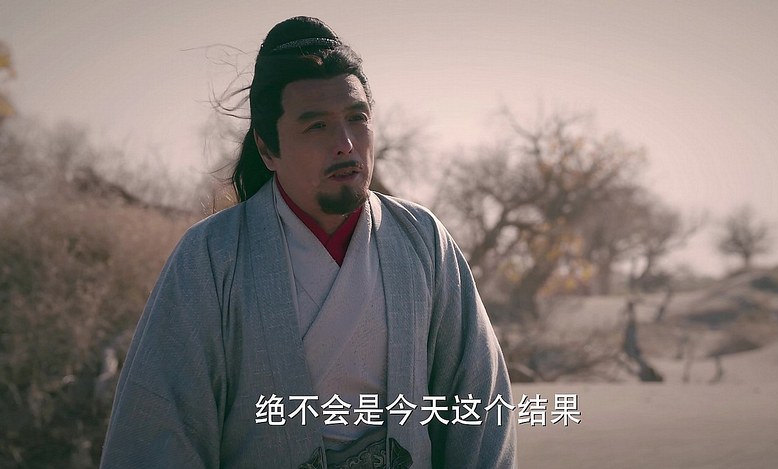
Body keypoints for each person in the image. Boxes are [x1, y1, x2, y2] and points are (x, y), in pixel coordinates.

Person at [100, 16, 515, 469]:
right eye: (316, 126)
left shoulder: (423, 241)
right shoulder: (212, 257)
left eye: (357, 119)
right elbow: (162, 430)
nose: (345, 144)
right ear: (267, 148)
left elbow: (479, 407)